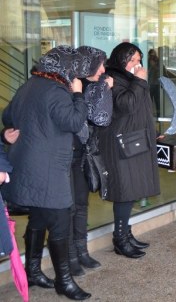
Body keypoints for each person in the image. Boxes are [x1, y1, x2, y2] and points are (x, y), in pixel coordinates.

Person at [2, 46, 91, 300]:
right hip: (49, 171)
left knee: (39, 219)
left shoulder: (30, 84)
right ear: (63, 68)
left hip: (28, 167)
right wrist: (78, 95)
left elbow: (8, 116)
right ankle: (64, 281)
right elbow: (75, 122)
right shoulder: (58, 91)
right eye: (73, 67)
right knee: (61, 222)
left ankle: (32, 271)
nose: (76, 72)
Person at [97, 42, 160, 258]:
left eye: (139, 59)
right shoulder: (112, 78)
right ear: (121, 59)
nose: (138, 64)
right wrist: (140, 80)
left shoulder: (130, 78)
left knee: (131, 190)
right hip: (119, 144)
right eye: (132, 60)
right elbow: (126, 105)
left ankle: (126, 233)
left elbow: (143, 107)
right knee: (124, 192)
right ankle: (120, 239)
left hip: (136, 139)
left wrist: (154, 131)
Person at [67, 46, 114, 277]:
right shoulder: (70, 85)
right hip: (66, 155)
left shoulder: (96, 85)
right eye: (99, 65)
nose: (103, 69)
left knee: (82, 204)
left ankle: (81, 250)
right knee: (70, 207)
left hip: (84, 154)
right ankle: (70, 256)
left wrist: (103, 88)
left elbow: (101, 119)